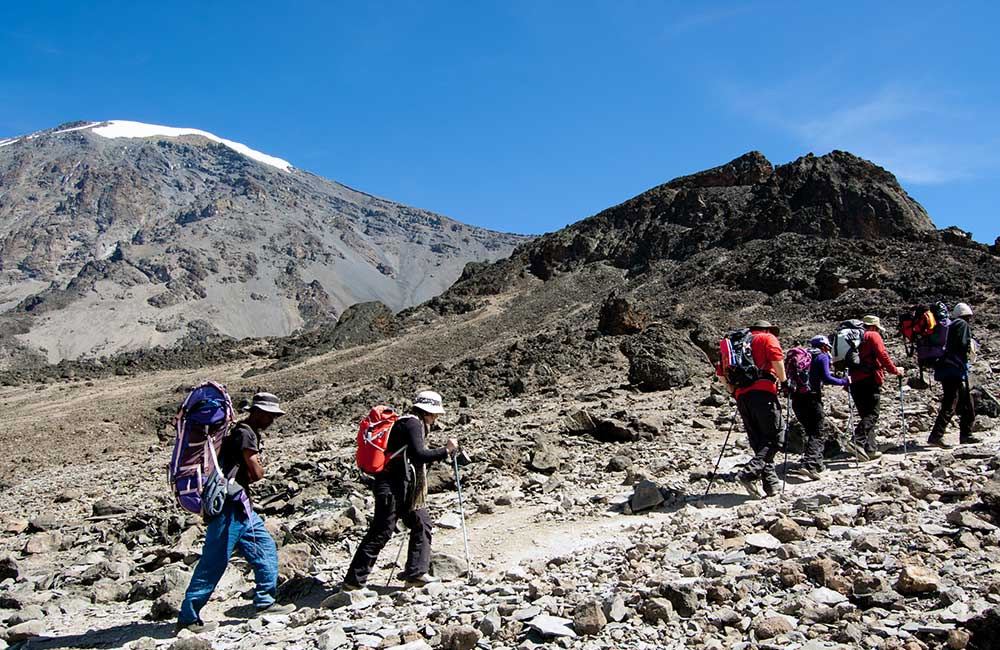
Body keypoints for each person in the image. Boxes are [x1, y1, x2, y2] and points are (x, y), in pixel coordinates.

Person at [176, 392, 294, 634]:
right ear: (257, 412)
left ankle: (264, 601)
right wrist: (259, 467)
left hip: (241, 505)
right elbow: (256, 472)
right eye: (270, 415)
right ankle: (188, 616)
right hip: (230, 508)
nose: (272, 420)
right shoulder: (245, 434)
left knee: (265, 548)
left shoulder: (242, 431)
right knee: (213, 562)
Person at [343, 390, 458, 590]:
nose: (437, 417)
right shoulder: (413, 423)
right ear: (428, 411)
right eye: (436, 413)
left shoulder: (409, 422)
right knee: (381, 531)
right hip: (393, 486)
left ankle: (416, 573)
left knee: (421, 522)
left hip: (403, 486)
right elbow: (420, 454)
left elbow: (413, 455)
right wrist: (446, 450)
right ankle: (353, 582)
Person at [719, 320, 787, 498]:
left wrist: (733, 391)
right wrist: (785, 382)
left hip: (742, 396)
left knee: (758, 440)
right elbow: (776, 359)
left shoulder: (734, 344)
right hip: (763, 392)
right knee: (775, 436)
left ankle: (771, 484)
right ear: (766, 329)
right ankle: (748, 473)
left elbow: (721, 373)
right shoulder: (766, 338)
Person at [843, 315, 905, 461]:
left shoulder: (851, 338)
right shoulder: (872, 335)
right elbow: (882, 354)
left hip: (854, 380)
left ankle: (870, 449)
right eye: (877, 328)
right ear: (872, 326)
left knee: (866, 414)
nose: (878, 330)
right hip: (869, 379)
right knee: (873, 414)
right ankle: (856, 440)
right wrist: (895, 370)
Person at [789, 336, 850, 480]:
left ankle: (817, 464)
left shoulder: (803, 355)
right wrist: (844, 381)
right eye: (827, 347)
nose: (828, 349)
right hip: (812, 398)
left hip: (796, 399)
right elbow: (827, 378)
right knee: (818, 431)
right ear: (823, 346)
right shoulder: (821, 357)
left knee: (810, 431)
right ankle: (809, 465)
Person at [928, 303, 981, 447]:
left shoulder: (951, 325)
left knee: (966, 401)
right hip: (954, 370)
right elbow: (963, 344)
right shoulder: (962, 325)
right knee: (950, 403)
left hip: (947, 368)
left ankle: (966, 434)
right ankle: (936, 436)